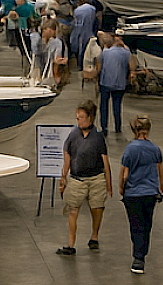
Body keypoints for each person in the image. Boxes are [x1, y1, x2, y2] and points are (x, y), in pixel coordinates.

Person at [56, 100, 111, 256]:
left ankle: (94, 236)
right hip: (77, 178)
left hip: (96, 178)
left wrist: (109, 183)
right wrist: (63, 177)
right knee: (72, 210)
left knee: (97, 208)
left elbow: (105, 160)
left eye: (81, 117)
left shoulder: (98, 137)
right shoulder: (73, 134)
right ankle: (70, 244)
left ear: (90, 118)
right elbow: (67, 153)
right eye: (77, 117)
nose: (78, 120)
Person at [118, 115, 163, 274]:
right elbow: (161, 172)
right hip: (151, 192)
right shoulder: (155, 149)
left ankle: (138, 259)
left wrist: (121, 189)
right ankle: (143, 251)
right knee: (146, 224)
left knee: (136, 225)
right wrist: (161, 189)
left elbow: (124, 174)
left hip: (133, 193)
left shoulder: (130, 149)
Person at [95, 33, 135, 133]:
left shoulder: (105, 52)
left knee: (104, 106)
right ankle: (118, 127)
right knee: (117, 106)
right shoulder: (126, 52)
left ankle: (104, 128)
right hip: (120, 84)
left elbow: (99, 68)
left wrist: (96, 79)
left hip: (105, 82)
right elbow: (132, 67)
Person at [35, 23, 67, 89]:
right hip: (45, 71)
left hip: (51, 73)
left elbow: (57, 59)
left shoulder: (56, 42)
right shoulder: (40, 41)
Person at [70, 0, 97, 71]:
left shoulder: (77, 10)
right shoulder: (92, 9)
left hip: (79, 31)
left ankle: (80, 65)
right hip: (89, 32)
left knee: (79, 48)